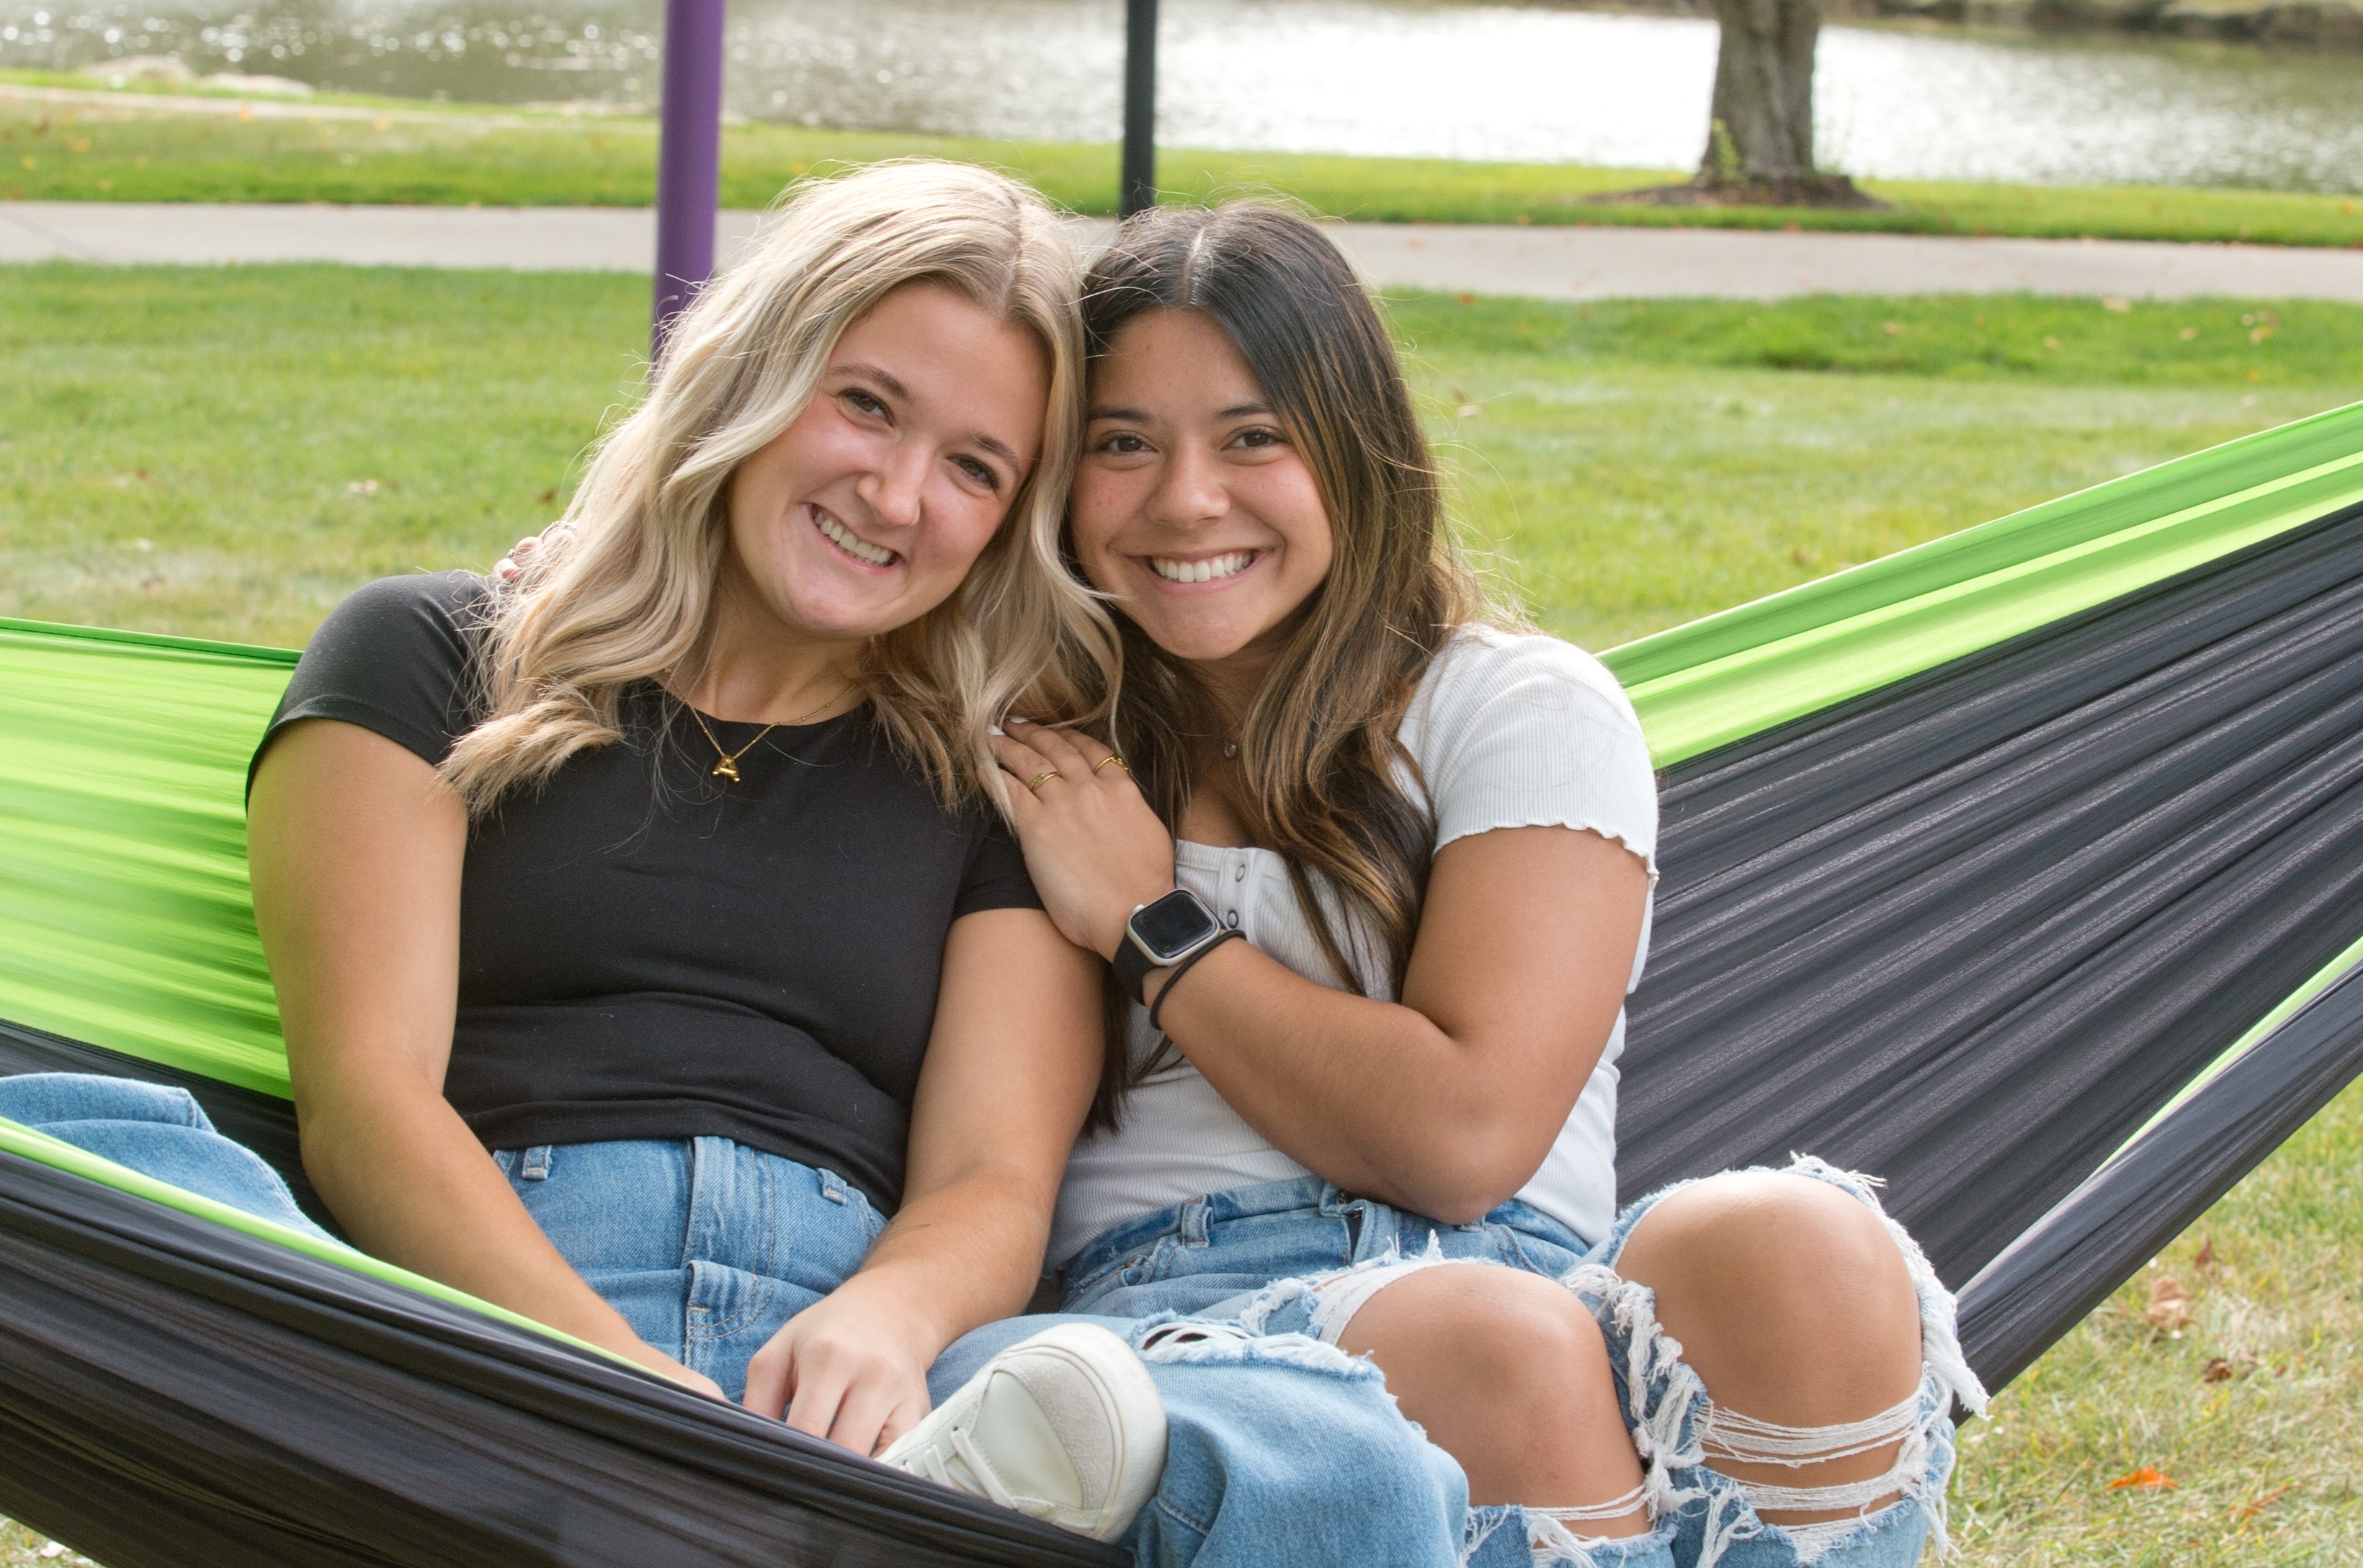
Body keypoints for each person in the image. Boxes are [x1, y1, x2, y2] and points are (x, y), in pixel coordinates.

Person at [0, 160, 1171, 1544]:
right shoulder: (435, 658)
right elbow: (370, 1102)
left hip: (846, 1369)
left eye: (975, 467)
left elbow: (991, 1182)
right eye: (865, 402)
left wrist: (888, 1312)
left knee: (1194, 1419)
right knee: (78, 1151)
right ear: (752, 372)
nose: (901, 492)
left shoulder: (994, 780)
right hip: (490, 1318)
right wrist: (618, 1387)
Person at [952, 202, 1986, 1568]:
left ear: (1359, 450)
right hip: (1188, 1323)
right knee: (1501, 1346)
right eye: (1123, 443)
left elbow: (1466, 1134)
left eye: (1254, 436)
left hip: (1528, 1282)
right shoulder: (1033, 739)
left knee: (1799, 1244)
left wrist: (1158, 927)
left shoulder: (1514, 707)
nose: (1186, 499)